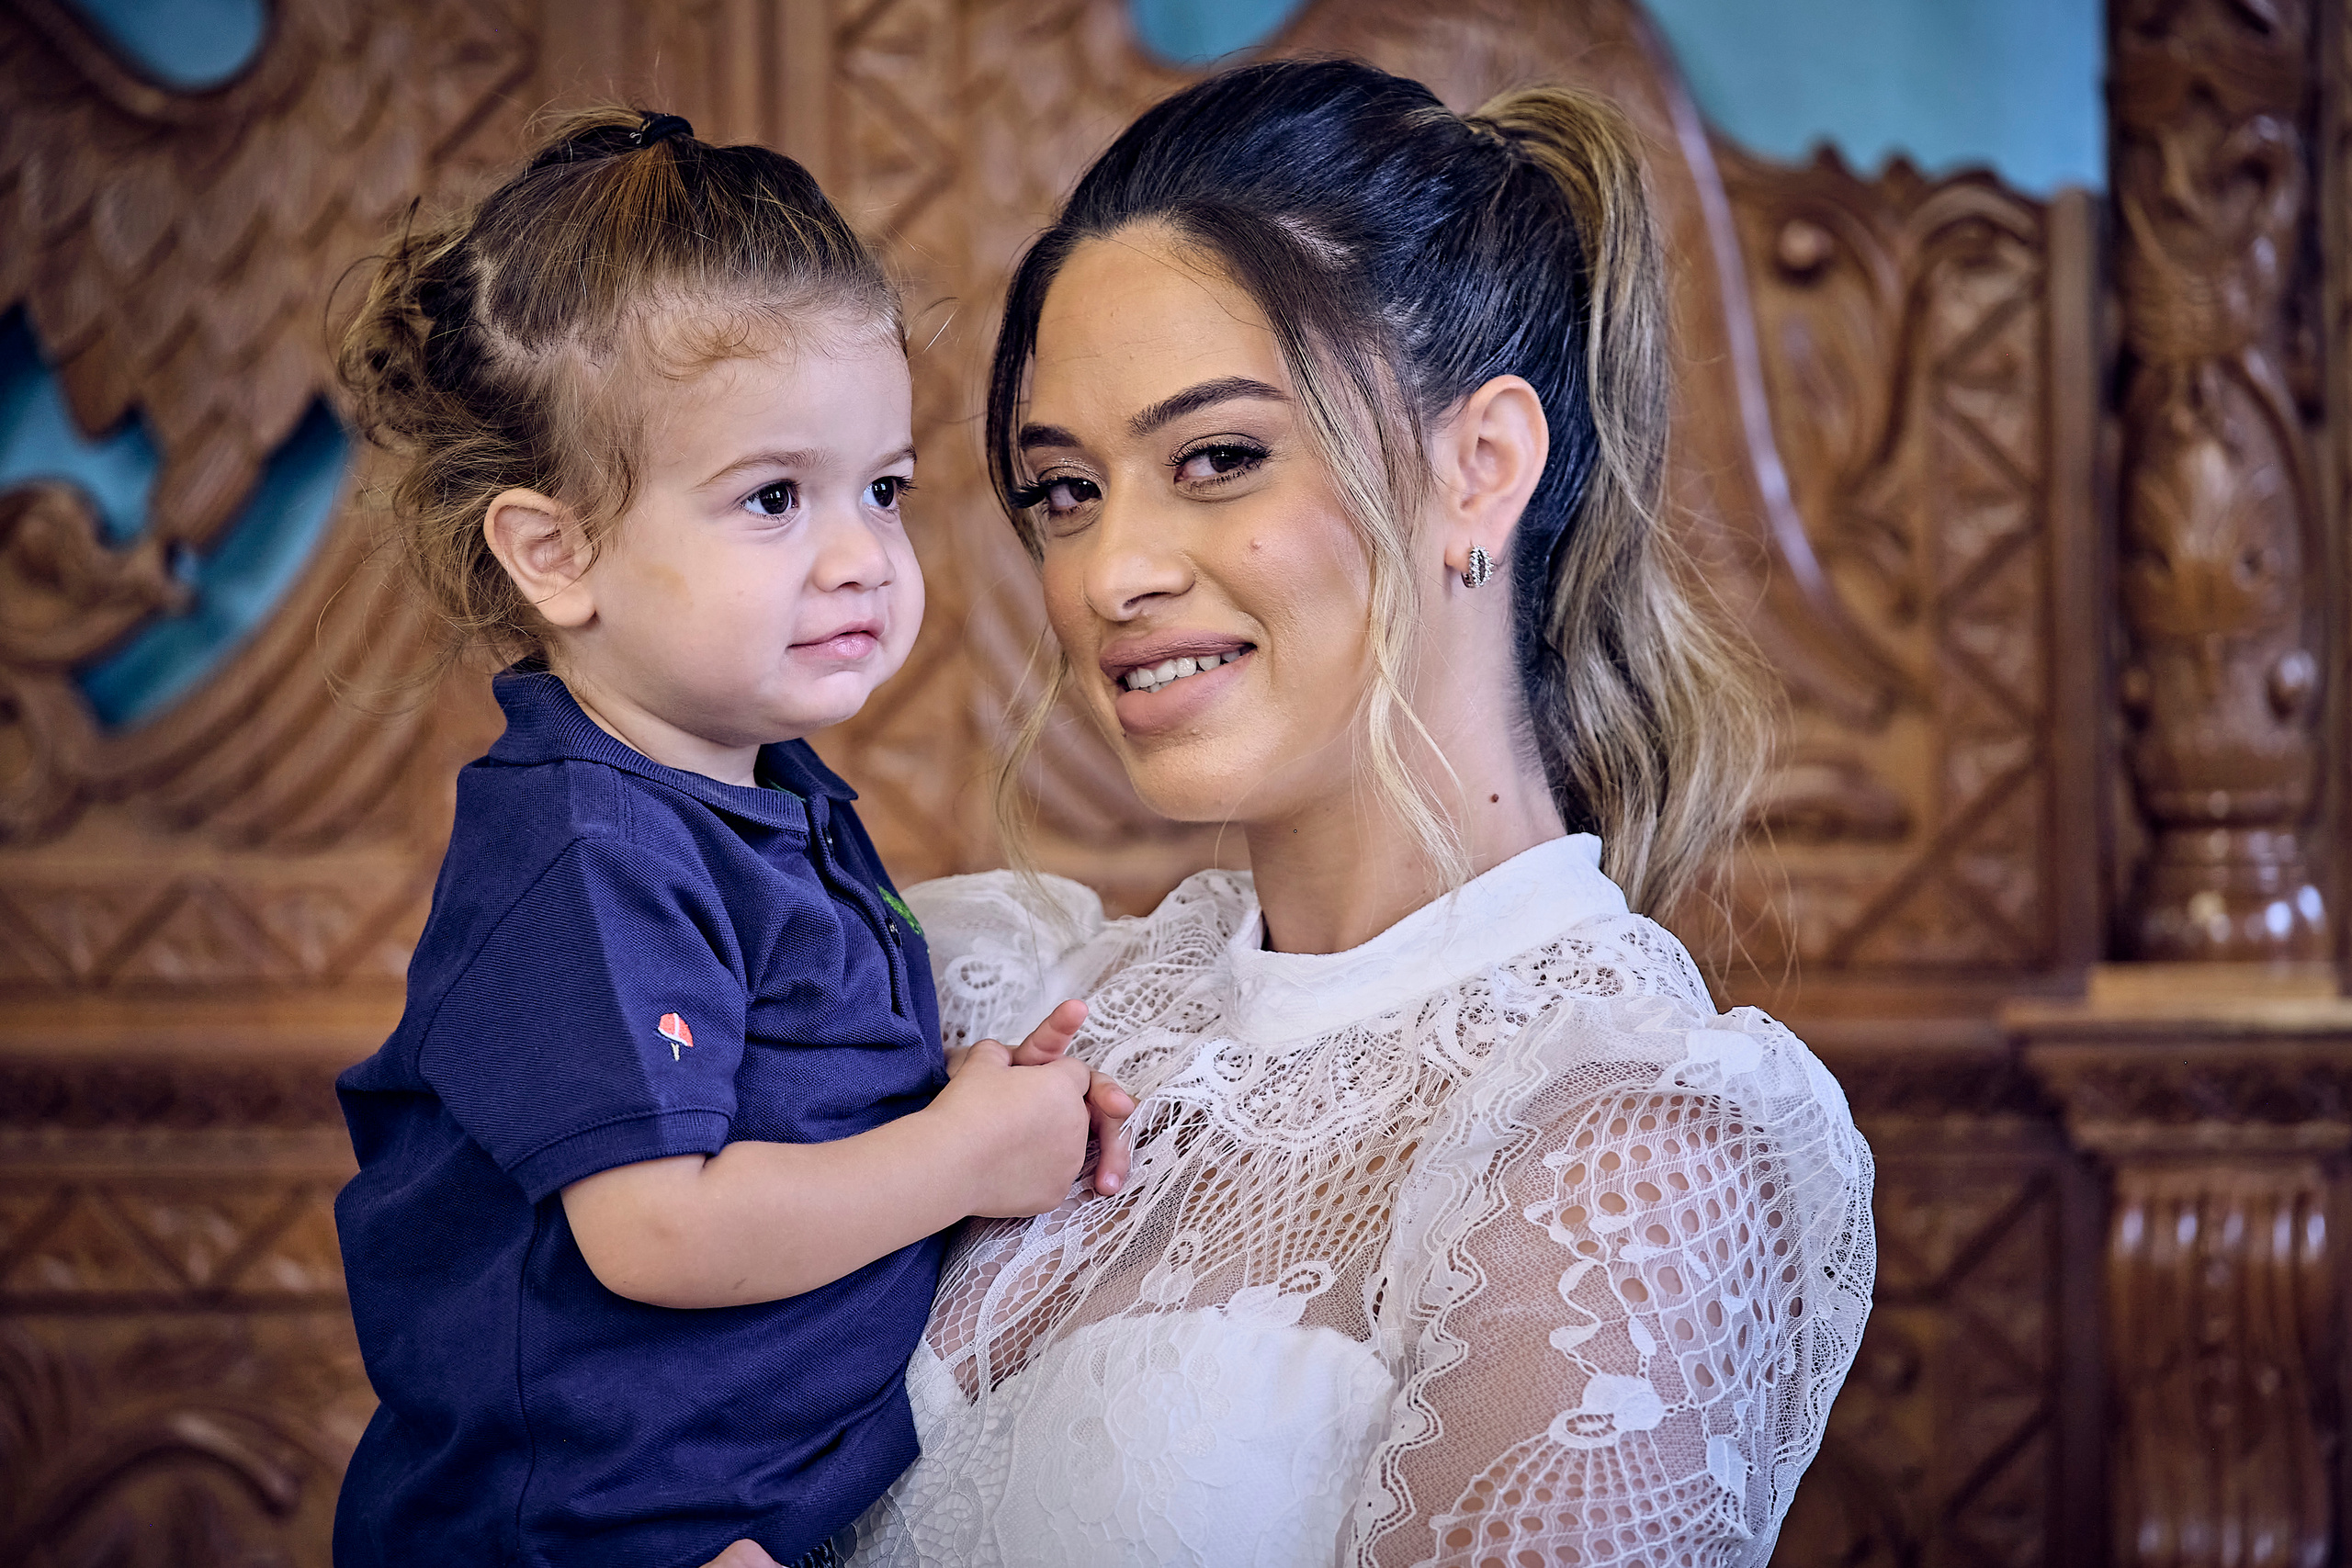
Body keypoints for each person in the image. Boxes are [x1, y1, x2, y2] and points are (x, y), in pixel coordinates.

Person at [741, 57, 1865, 1568]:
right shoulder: (1000, 993)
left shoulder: (1624, 1143)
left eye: (1217, 459)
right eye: (1064, 489)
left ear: (1484, 469)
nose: (1107, 574)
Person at [327, 108, 1131, 1568]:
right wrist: (954, 1155)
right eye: (773, 498)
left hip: (757, 1495)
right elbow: (664, 1231)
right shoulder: (588, 849)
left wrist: (952, 1094)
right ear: (554, 552)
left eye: (881, 489)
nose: (859, 556)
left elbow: (776, 1098)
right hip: (596, 1526)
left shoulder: (755, 794)